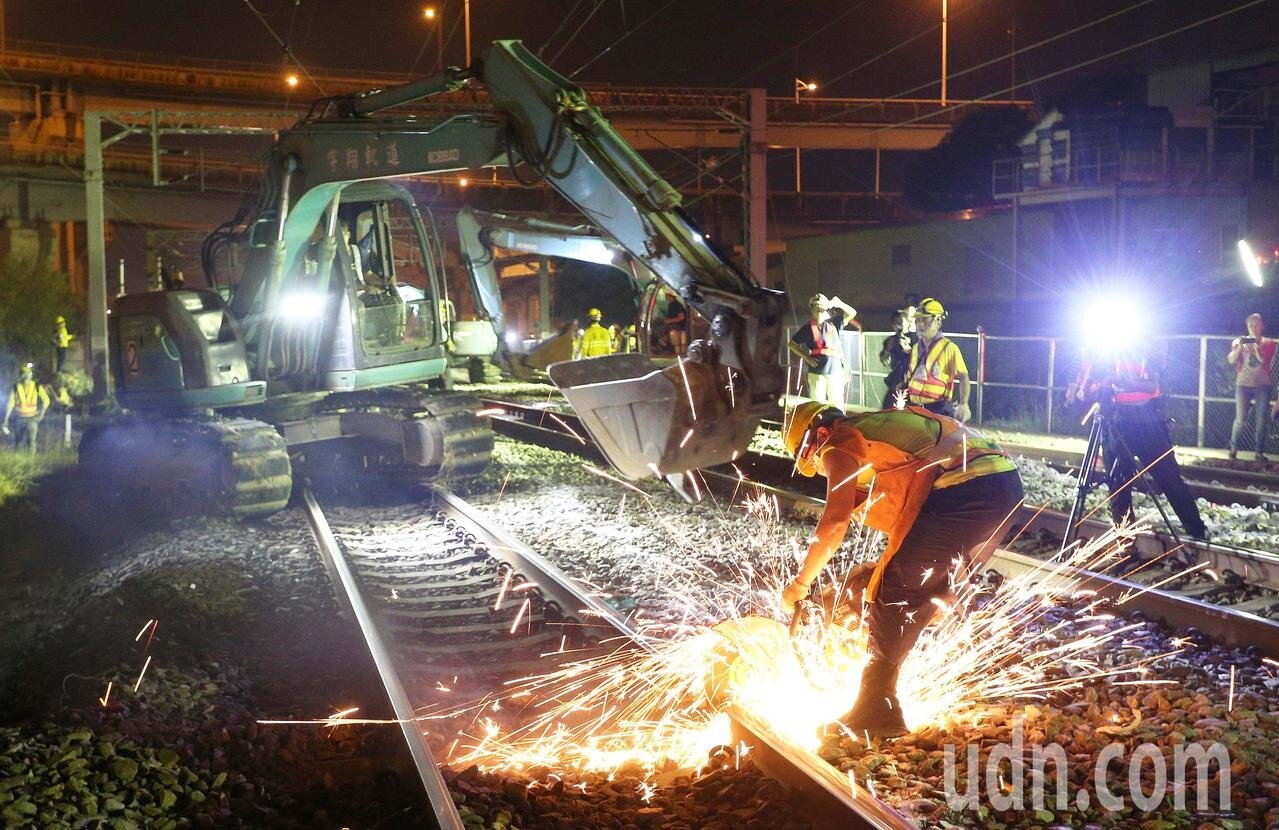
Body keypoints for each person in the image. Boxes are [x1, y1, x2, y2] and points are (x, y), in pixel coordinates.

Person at [779, 401, 1023, 737]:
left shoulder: (838, 442)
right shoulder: (875, 432)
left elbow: (834, 522)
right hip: (1001, 485)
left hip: (969, 489)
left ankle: (876, 712)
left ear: (819, 434)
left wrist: (800, 583)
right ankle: (886, 695)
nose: (817, 466)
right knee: (917, 586)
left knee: (896, 589)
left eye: (809, 456)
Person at [1068, 341, 1208, 540]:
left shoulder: (1149, 345)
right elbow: (1089, 387)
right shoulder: (1104, 350)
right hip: (1115, 421)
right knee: (1118, 483)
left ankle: (1197, 531)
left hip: (1148, 423)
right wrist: (1088, 387)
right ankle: (1124, 540)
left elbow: (1152, 384)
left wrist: (1122, 381)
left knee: (1169, 478)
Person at [905, 297, 970, 421]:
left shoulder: (949, 348)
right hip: (914, 409)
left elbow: (963, 377)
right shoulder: (915, 348)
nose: (920, 324)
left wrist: (963, 404)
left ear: (938, 322)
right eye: (918, 320)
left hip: (938, 411)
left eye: (925, 320)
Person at [1227, 313, 1275, 461]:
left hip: (1263, 385)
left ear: (1262, 326)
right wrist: (1240, 347)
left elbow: (1265, 362)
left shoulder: (1269, 343)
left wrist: (1256, 349)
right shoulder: (1239, 342)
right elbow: (1231, 360)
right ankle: (1233, 449)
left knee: (1261, 420)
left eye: (1257, 325)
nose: (1254, 328)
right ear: (1247, 326)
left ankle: (1259, 453)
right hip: (1243, 385)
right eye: (1251, 325)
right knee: (1240, 419)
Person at [788, 293, 847, 406]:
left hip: (835, 371)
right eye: (816, 307)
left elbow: (852, 313)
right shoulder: (807, 329)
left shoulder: (834, 323)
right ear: (811, 310)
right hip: (817, 372)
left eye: (821, 307)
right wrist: (806, 357)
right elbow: (791, 344)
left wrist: (840, 304)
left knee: (837, 405)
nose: (819, 310)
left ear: (826, 308)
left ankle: (836, 418)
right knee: (817, 405)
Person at [2, 362, 51, 453]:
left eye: (27, 376)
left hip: (32, 418)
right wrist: (6, 419)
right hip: (19, 418)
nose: (26, 379)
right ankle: (19, 459)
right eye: (25, 376)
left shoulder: (36, 386)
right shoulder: (16, 387)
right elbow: (10, 404)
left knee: (31, 442)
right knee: (19, 442)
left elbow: (46, 401)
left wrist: (41, 415)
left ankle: (30, 460)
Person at [878, 306, 917, 408]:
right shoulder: (890, 340)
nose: (898, 325)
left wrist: (909, 350)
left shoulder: (915, 338)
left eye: (900, 321)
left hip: (912, 383)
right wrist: (888, 349)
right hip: (895, 382)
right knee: (887, 409)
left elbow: (922, 358)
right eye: (895, 322)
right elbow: (883, 360)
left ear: (907, 322)